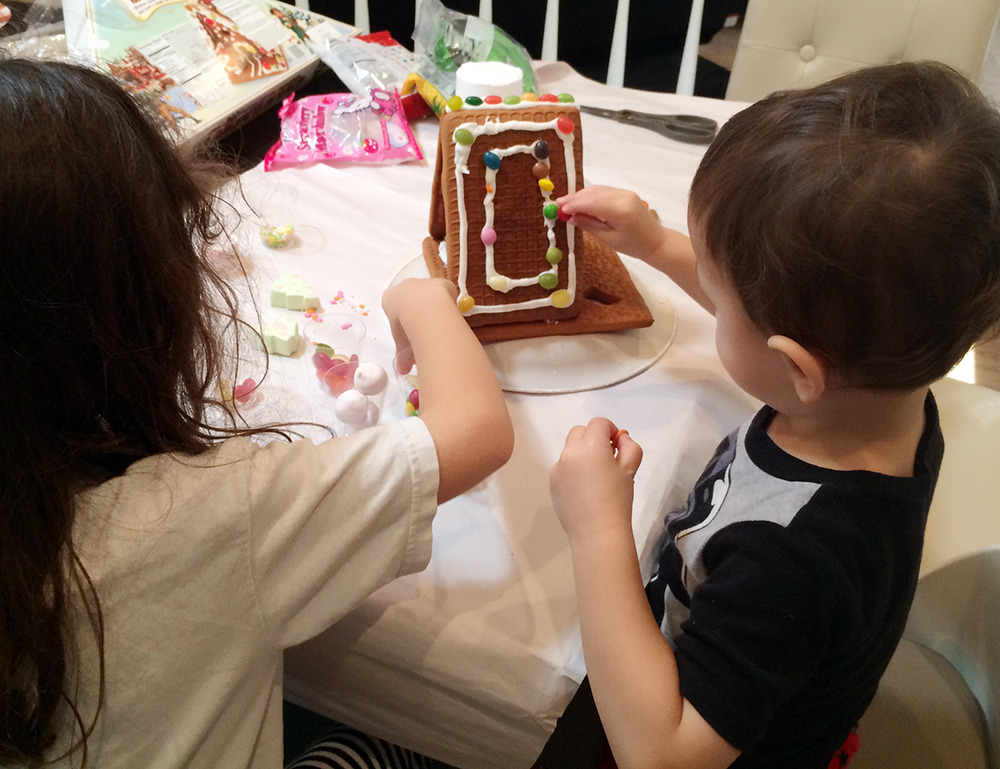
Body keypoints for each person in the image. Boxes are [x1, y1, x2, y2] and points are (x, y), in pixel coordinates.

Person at [0, 57, 513, 768]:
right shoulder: (207, 513)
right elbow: (476, 431)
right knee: (410, 742)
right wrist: (420, 296)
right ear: (145, 300)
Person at [546, 61, 1000, 769]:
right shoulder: (888, 391)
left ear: (798, 370)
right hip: (783, 699)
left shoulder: (787, 559)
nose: (713, 300)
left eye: (720, 296)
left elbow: (661, 755)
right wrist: (657, 243)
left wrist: (596, 528)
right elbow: (780, 329)